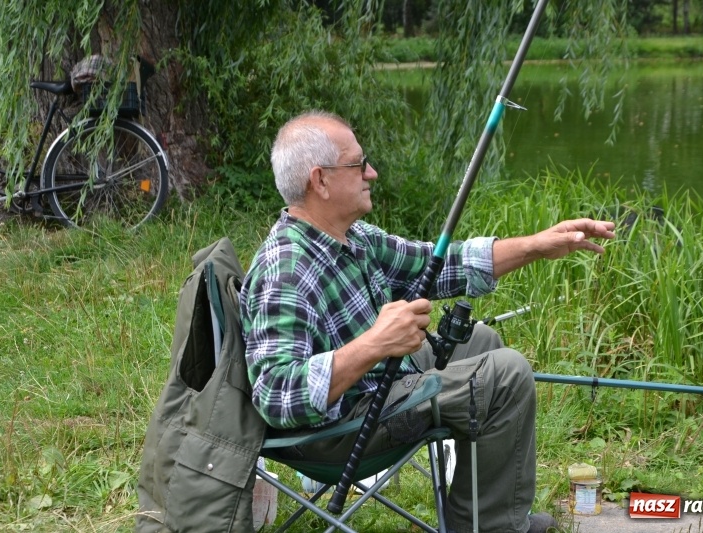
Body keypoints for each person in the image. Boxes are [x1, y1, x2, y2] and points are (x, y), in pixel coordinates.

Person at [240, 110, 616, 533]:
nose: (372, 173)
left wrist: (538, 244)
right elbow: (275, 395)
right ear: (320, 180)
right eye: (359, 164)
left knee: (483, 342)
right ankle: (488, 528)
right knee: (506, 374)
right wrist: (375, 344)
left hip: (378, 387)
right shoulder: (285, 270)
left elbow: (441, 264)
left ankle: (487, 512)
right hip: (337, 431)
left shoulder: (353, 238)